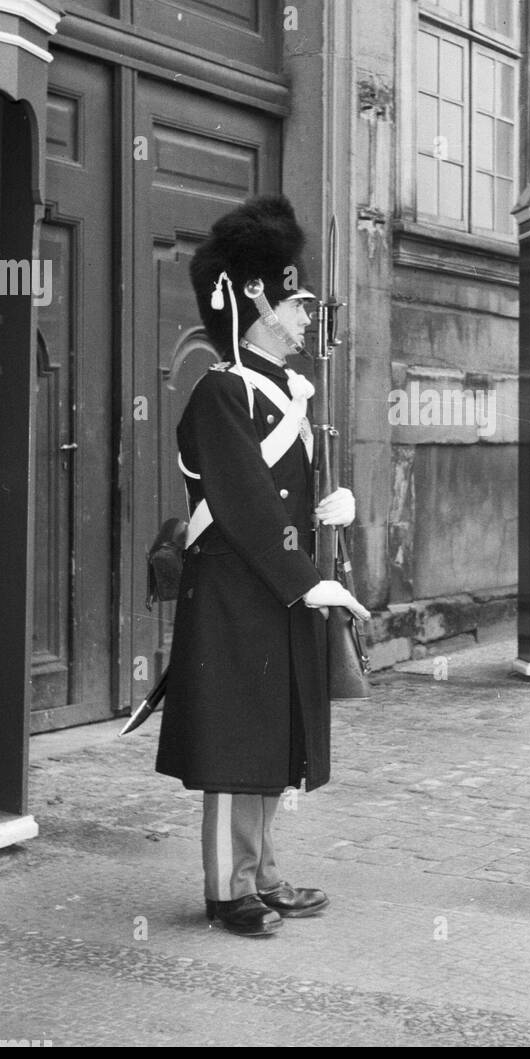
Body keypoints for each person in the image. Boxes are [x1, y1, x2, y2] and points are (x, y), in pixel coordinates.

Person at [154, 194, 371, 937]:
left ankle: (263, 872)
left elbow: (281, 500)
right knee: (232, 746)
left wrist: (328, 508)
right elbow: (244, 503)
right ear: (256, 294)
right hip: (235, 593)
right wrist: (312, 580)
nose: (309, 314)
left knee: (273, 741)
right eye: (298, 298)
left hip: (275, 590)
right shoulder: (221, 390)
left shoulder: (285, 391)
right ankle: (226, 887)